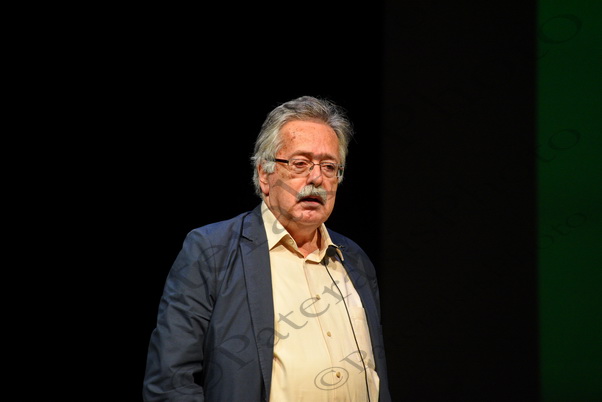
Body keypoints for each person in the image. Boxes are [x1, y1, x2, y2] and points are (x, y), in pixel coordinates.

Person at [143, 95, 391, 401]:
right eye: (300, 163)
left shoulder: (354, 260)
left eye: (329, 166)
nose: (317, 178)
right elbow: (170, 382)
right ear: (264, 174)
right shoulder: (211, 251)